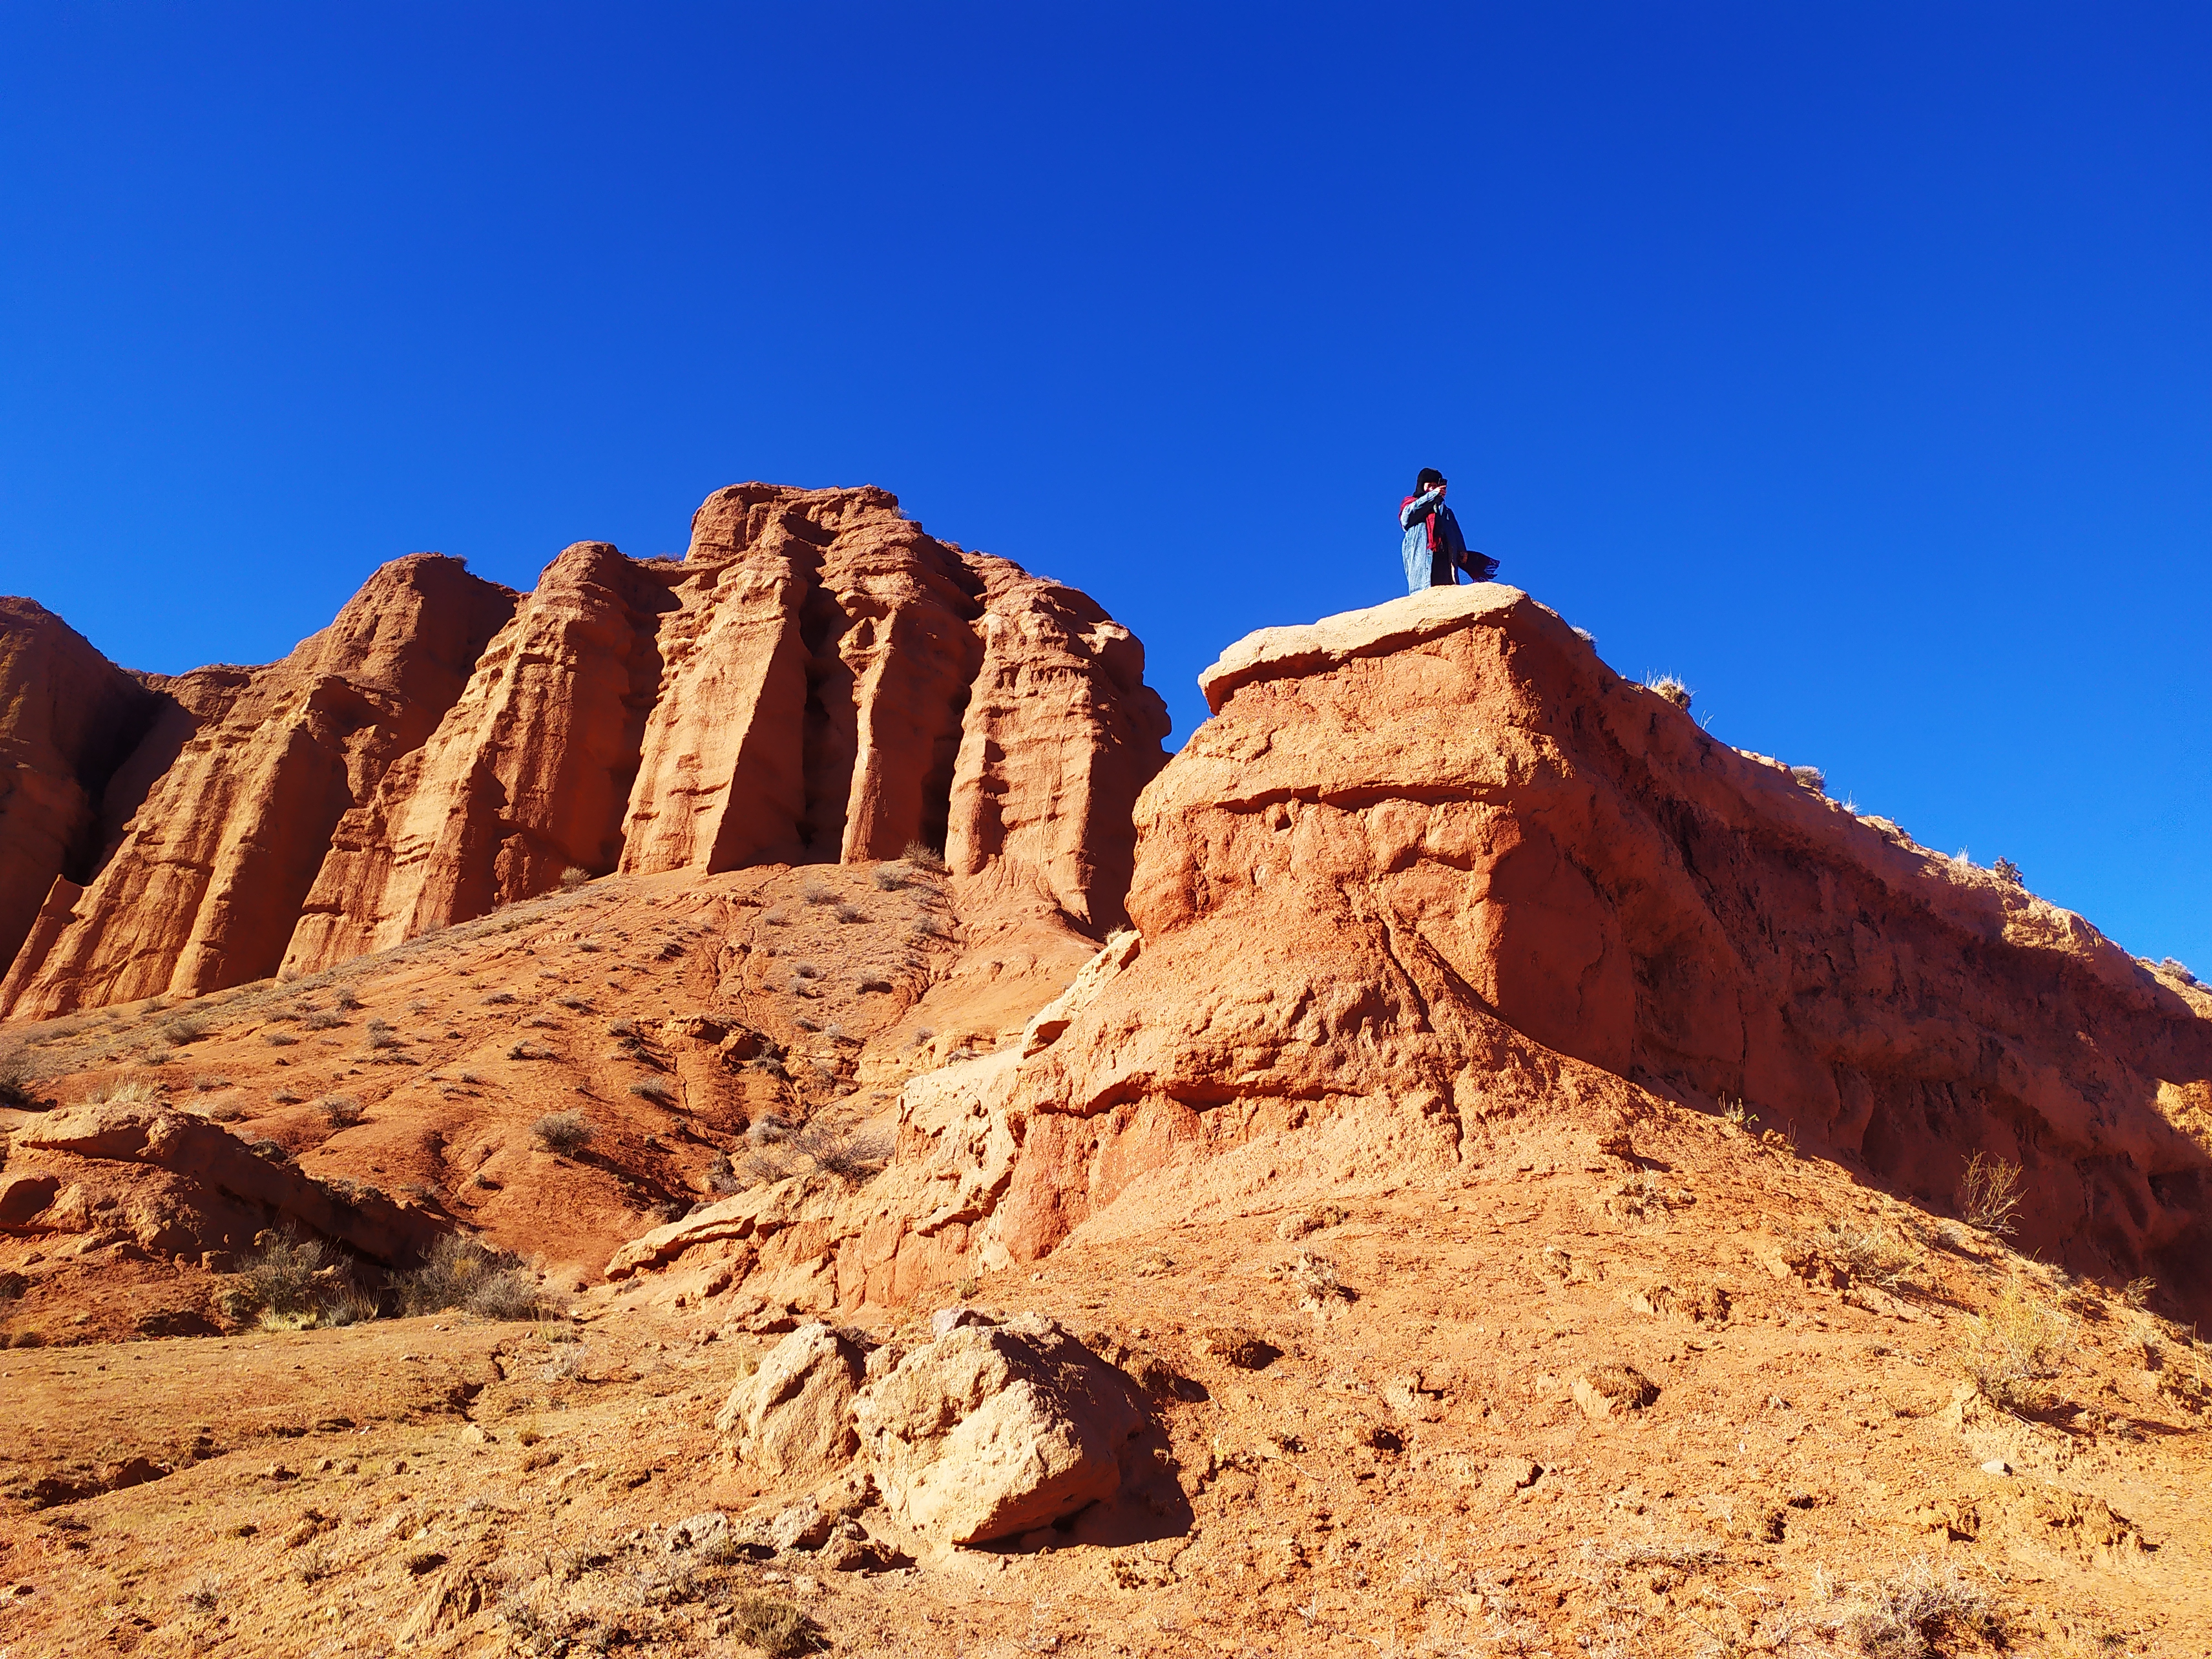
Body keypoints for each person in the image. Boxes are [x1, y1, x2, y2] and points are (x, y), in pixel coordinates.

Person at [1399, 468, 1498, 594]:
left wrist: (1462, 550)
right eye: (1430, 486)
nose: (1433, 489)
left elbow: (1455, 532)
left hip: (1445, 557)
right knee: (1423, 592)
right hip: (1422, 558)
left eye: (1436, 486)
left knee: (1446, 591)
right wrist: (1432, 496)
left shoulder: (1446, 512)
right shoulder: (1411, 504)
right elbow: (1406, 519)